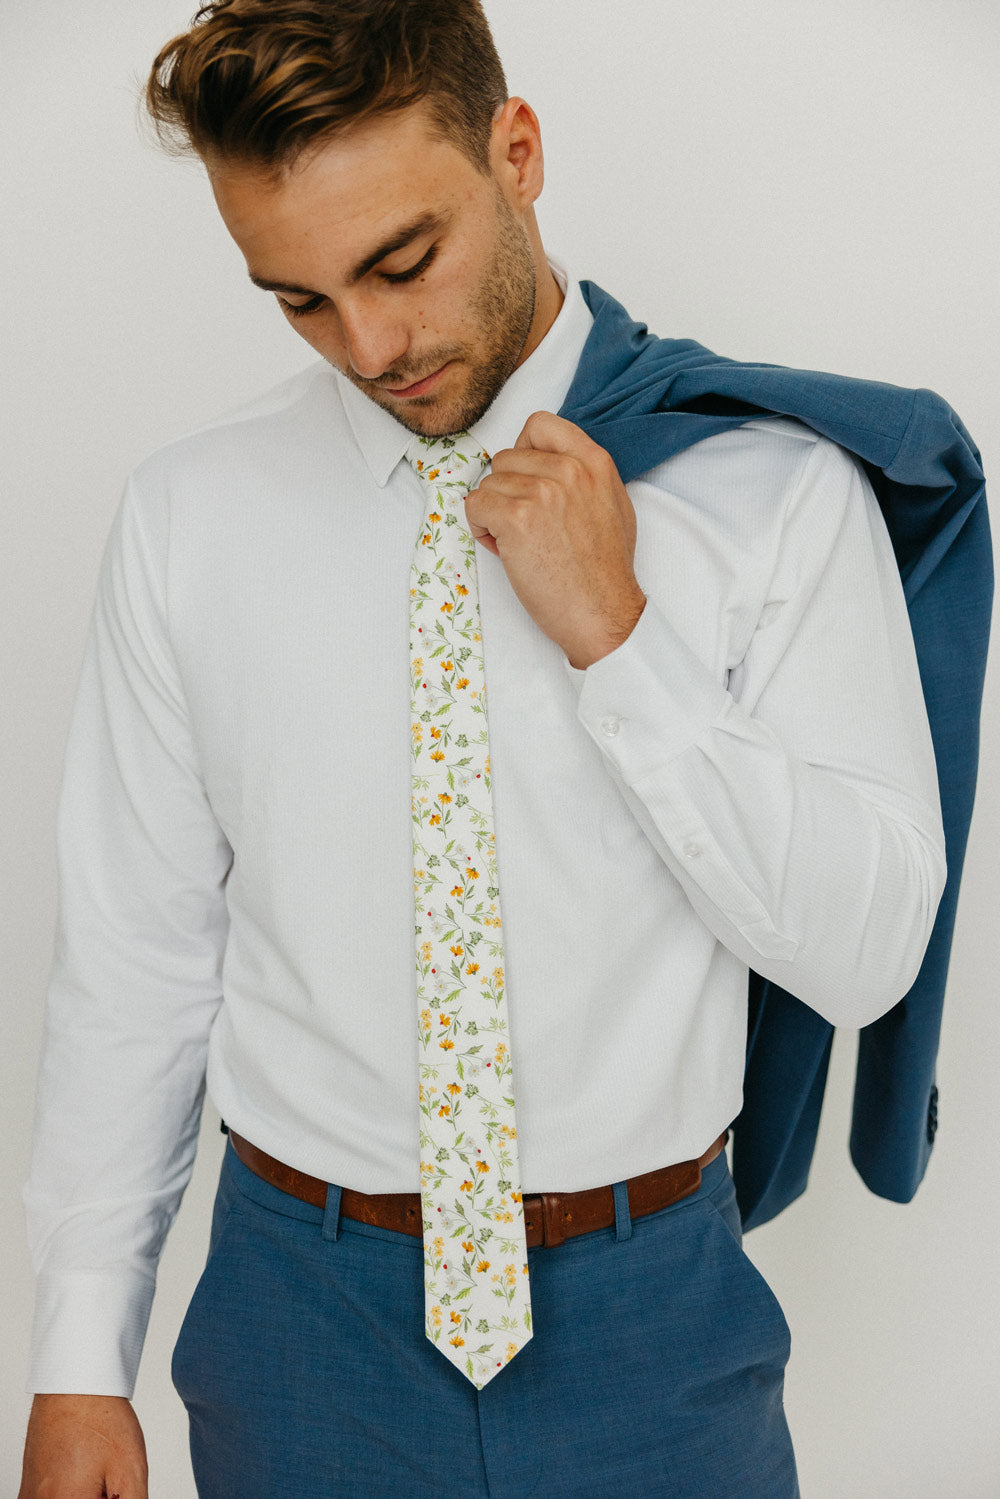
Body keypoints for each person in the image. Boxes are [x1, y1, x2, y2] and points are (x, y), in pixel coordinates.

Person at [18, 1, 959, 1494]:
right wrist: (77, 1360)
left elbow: (870, 955)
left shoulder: (767, 492)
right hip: (297, 1320)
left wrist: (621, 640)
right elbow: (138, 963)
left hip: (653, 1323)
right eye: (300, 300)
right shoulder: (191, 519)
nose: (371, 346)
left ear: (515, 151)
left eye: (403, 263)